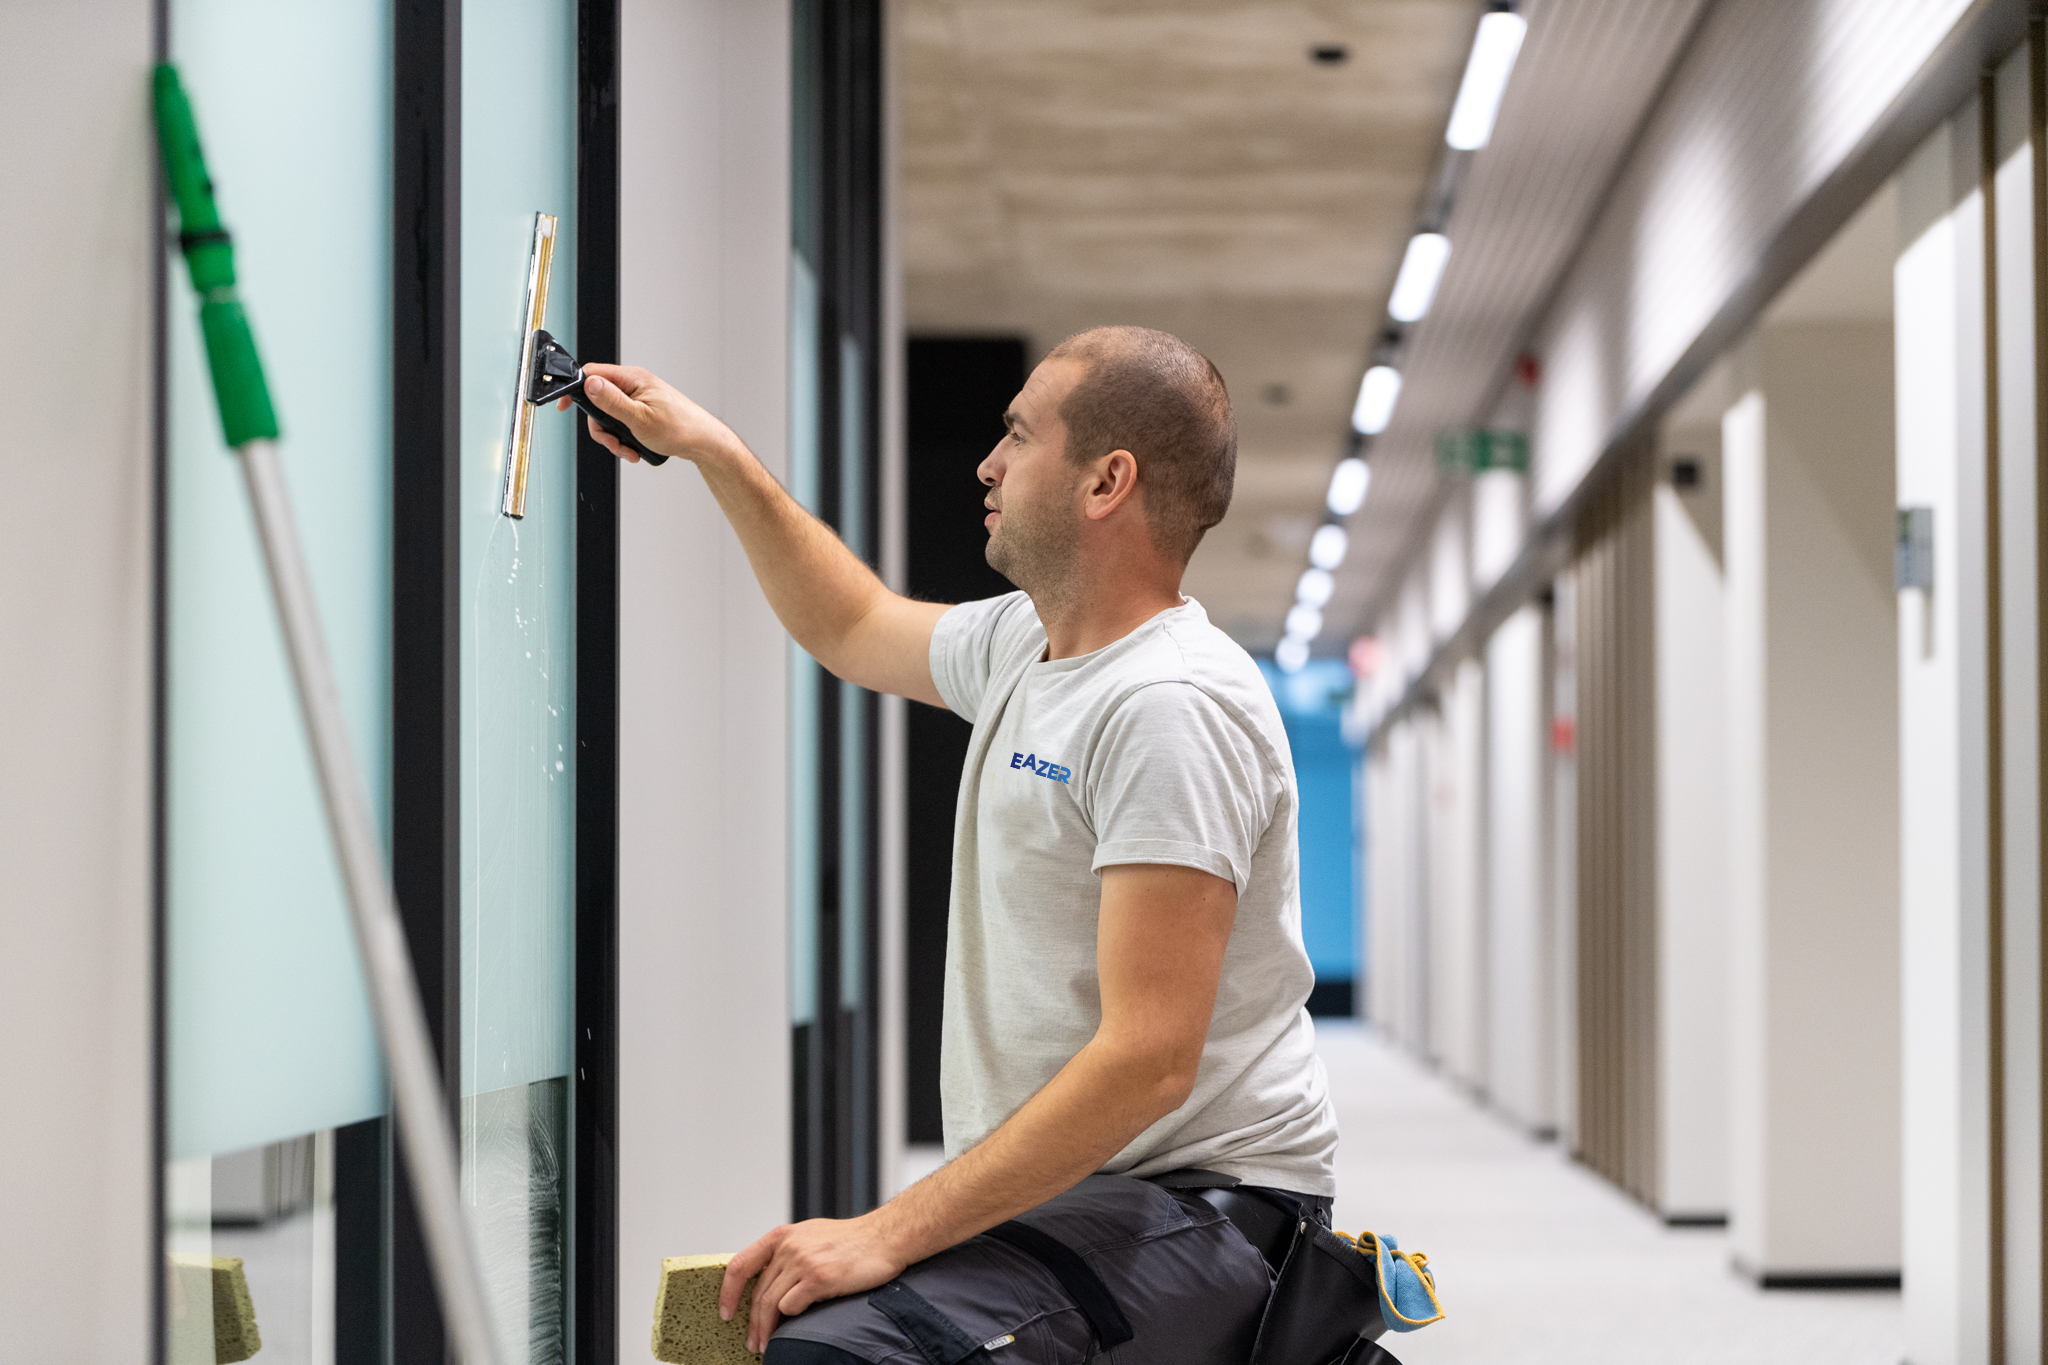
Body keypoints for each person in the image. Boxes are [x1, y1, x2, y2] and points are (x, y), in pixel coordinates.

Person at [569, 325, 1338, 1363]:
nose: (988, 462)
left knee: (838, 1352)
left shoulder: (1167, 706)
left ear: (1105, 481)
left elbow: (1148, 1061)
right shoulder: (1026, 643)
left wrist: (885, 1232)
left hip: (1210, 1210)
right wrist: (715, 451)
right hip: (1092, 1198)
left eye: (1018, 436)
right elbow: (850, 623)